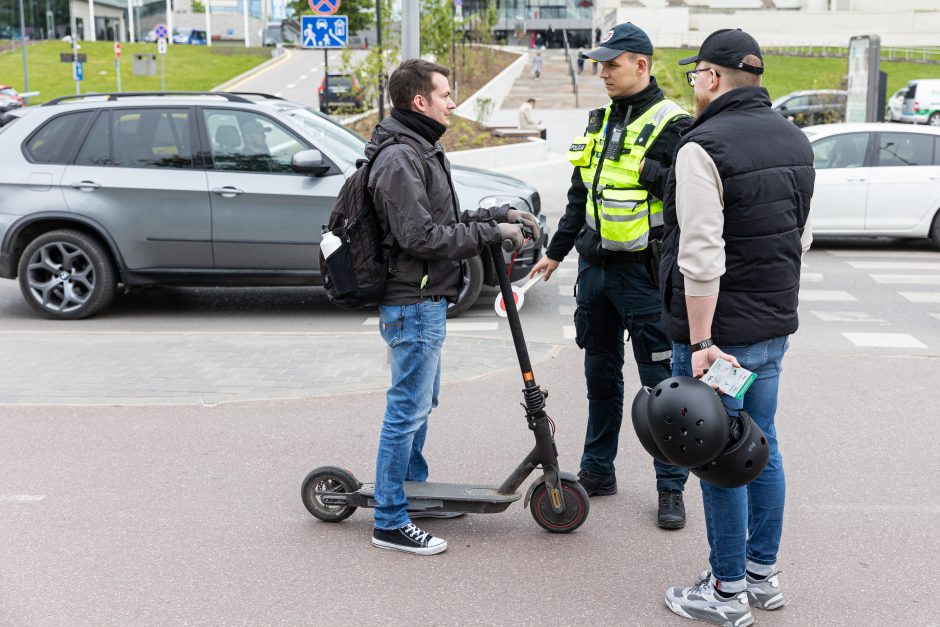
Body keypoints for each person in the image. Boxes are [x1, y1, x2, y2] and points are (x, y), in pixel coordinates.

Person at [659, 29, 814, 625]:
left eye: (696, 73)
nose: (693, 83)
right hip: (771, 326)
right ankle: (760, 575)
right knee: (761, 445)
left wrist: (700, 341)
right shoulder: (793, 137)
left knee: (717, 452)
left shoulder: (703, 145)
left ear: (714, 78)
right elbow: (800, 238)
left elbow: (700, 253)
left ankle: (724, 594)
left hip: (719, 334)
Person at [366, 59, 541, 556]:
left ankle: (411, 492)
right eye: (445, 93)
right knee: (406, 411)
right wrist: (490, 233)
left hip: (426, 299)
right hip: (412, 300)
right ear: (419, 101)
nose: (452, 101)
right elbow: (419, 236)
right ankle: (390, 519)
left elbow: (441, 218)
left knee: (420, 405)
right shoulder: (400, 159)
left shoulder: (420, 148)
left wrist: (496, 214)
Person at [528, 22, 693, 529]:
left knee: (661, 388)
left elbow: (690, 200)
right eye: (600, 65)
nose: (602, 73)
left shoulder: (674, 124)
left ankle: (671, 488)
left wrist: (657, 174)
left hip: (645, 279)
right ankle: (598, 471)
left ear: (640, 65)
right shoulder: (600, 121)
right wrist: (555, 253)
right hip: (596, 273)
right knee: (600, 379)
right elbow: (581, 196)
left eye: (611, 64)